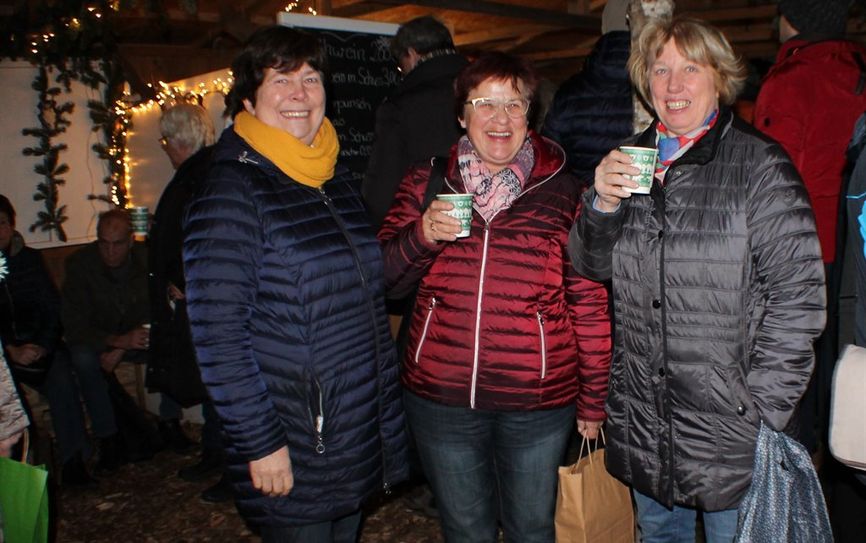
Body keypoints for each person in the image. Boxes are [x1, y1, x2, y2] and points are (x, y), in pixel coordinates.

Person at [569, 16, 826, 542]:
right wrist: (600, 204)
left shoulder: (760, 166)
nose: (673, 85)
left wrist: (761, 412)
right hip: (646, 419)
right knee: (661, 536)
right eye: (659, 70)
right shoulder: (628, 161)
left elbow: (798, 299)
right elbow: (591, 266)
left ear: (720, 78)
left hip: (730, 431)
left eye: (690, 68)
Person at [182, 25, 408, 542]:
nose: (300, 95)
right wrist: (261, 444)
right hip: (296, 437)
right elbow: (219, 339)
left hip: (351, 429)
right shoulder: (232, 190)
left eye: (310, 78)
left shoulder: (331, 176)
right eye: (281, 81)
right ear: (248, 99)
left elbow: (366, 289)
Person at [378, 52, 612, 542]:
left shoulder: (565, 191)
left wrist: (593, 398)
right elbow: (385, 281)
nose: (500, 118)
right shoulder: (427, 181)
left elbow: (588, 302)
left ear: (531, 117)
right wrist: (421, 234)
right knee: (466, 529)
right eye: (485, 103)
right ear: (462, 115)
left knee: (532, 528)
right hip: (442, 396)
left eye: (515, 105)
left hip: (537, 400)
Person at [753, 0, 865, 453]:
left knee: (793, 353)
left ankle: (794, 459)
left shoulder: (790, 80)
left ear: (793, 19)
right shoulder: (856, 71)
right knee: (841, 351)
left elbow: (770, 175)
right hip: (850, 240)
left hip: (797, 243)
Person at [149, 102, 229, 502]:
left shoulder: (201, 176)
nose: (164, 147)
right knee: (211, 378)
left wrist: (185, 279)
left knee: (219, 380)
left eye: (165, 139)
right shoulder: (200, 172)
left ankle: (230, 463)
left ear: (180, 139)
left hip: (206, 297)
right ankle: (216, 453)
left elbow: (206, 236)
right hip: (201, 293)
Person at [0, 195, 95, 485]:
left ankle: (73, 461)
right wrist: (10, 350)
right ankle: (21, 469)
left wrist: (42, 344)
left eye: (2, 223)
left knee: (62, 378)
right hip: (5, 355)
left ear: (12, 225)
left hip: (39, 347)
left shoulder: (30, 260)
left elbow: (52, 309)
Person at [62, 208, 165, 470]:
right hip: (98, 338)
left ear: (130, 241)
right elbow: (75, 325)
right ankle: (108, 437)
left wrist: (124, 344)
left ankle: (170, 422)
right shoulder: (80, 265)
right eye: (103, 244)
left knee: (170, 343)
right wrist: (117, 341)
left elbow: (156, 307)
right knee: (83, 359)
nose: (110, 252)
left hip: (136, 333)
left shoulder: (146, 259)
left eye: (117, 244)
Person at [362, 15, 467, 229]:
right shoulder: (483, 90)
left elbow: (381, 193)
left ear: (411, 54)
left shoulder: (400, 107)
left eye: (401, 67)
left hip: (426, 229)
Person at [542, 0, 633, 186]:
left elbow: (549, 159)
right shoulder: (663, 88)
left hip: (587, 205)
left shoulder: (569, 93)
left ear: (604, 27)